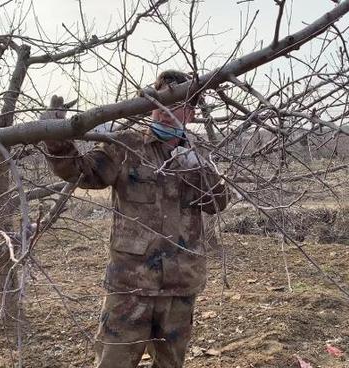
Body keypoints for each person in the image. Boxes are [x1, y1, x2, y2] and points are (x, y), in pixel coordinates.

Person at [41, 70, 229, 368]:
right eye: (160, 101)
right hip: (131, 287)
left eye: (177, 103)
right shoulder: (127, 145)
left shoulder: (198, 154)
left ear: (191, 114)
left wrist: (199, 166)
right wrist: (56, 138)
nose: (165, 112)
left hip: (180, 288)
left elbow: (218, 203)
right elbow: (85, 173)